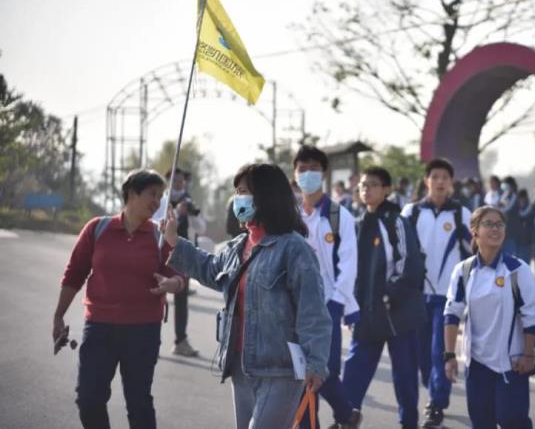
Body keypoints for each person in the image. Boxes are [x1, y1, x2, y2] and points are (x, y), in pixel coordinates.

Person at [164, 163, 332, 429]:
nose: (237, 199)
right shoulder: (237, 246)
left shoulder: (294, 249)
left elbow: (313, 311)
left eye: (243, 191)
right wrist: (174, 240)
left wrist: (316, 362)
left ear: (265, 195)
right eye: (237, 192)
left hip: (281, 370)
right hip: (241, 366)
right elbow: (210, 270)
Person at [53, 169, 185, 429]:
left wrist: (173, 284)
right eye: (152, 194)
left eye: (160, 196)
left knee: (138, 404)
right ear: (132, 194)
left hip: (143, 332)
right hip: (99, 328)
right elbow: (74, 274)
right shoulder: (97, 228)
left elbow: (179, 275)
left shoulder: (160, 237)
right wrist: (59, 315)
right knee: (88, 399)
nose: (157, 201)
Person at [341, 166, 426, 429]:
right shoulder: (357, 223)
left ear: (386, 189)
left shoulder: (396, 221)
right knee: (354, 371)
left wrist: (389, 296)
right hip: (367, 313)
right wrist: (351, 304)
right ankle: (346, 418)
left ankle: (409, 423)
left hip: (399, 312)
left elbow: (409, 264)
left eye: (373, 185)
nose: (366, 190)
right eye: (362, 185)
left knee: (405, 376)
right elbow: (350, 268)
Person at [444, 206, 535, 429]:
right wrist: (449, 355)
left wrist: (528, 354)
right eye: (488, 224)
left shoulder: (518, 270)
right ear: (474, 231)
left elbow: (531, 316)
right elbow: (451, 313)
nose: (495, 229)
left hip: (512, 363)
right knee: (481, 422)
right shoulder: (464, 270)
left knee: (512, 421)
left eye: (499, 224)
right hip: (477, 363)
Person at [293, 146, 363, 429]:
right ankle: (328, 420)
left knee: (326, 372)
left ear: (323, 173)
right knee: (301, 374)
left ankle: (346, 414)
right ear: (294, 174)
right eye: (302, 169)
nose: (308, 174)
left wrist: (336, 303)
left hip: (327, 306)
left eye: (314, 169)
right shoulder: (289, 216)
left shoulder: (339, 215)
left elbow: (349, 263)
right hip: (295, 307)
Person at [401, 158, 471, 428]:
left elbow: (473, 250)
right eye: (435, 177)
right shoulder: (411, 212)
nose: (440, 181)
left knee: (438, 351)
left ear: (451, 183)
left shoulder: (461, 214)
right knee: (421, 355)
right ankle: (433, 388)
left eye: (445, 177)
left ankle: (436, 403)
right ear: (426, 181)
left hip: (447, 297)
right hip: (416, 295)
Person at [165, 167, 205, 357]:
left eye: (181, 181)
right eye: (175, 180)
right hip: (160, 253)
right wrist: (175, 212)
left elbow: (201, 228)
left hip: (183, 256)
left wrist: (188, 214)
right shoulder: (160, 200)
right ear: (168, 181)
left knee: (181, 300)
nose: (179, 184)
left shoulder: (189, 201)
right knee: (155, 296)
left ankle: (180, 341)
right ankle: (149, 341)